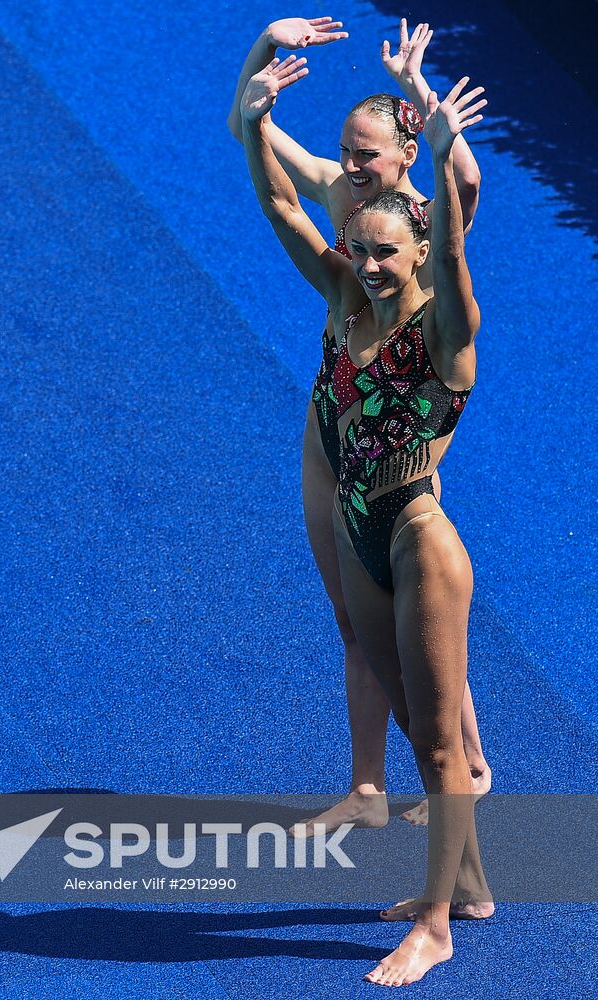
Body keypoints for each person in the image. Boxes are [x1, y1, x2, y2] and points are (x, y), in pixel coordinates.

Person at [239, 54, 493, 986]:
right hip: (356, 525)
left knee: (435, 744)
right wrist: (256, 118)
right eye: (366, 251)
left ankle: (437, 922)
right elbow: (281, 212)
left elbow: (458, 249)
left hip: (416, 538)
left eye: (391, 253)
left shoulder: (445, 336)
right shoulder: (349, 300)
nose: (376, 266)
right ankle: (465, 888)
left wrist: (441, 146)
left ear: (420, 252)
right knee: (388, 696)